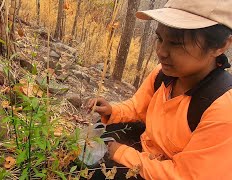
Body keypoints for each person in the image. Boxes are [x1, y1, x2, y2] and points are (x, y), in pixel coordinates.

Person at [86, 0, 232, 179]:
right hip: (148, 151)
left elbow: (186, 176)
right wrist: (112, 111)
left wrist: (121, 153)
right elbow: (138, 106)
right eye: (160, 39)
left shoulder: (222, 109)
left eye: (177, 43)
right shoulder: (164, 75)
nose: (161, 52)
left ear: (220, 46)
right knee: (100, 132)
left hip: (170, 173)